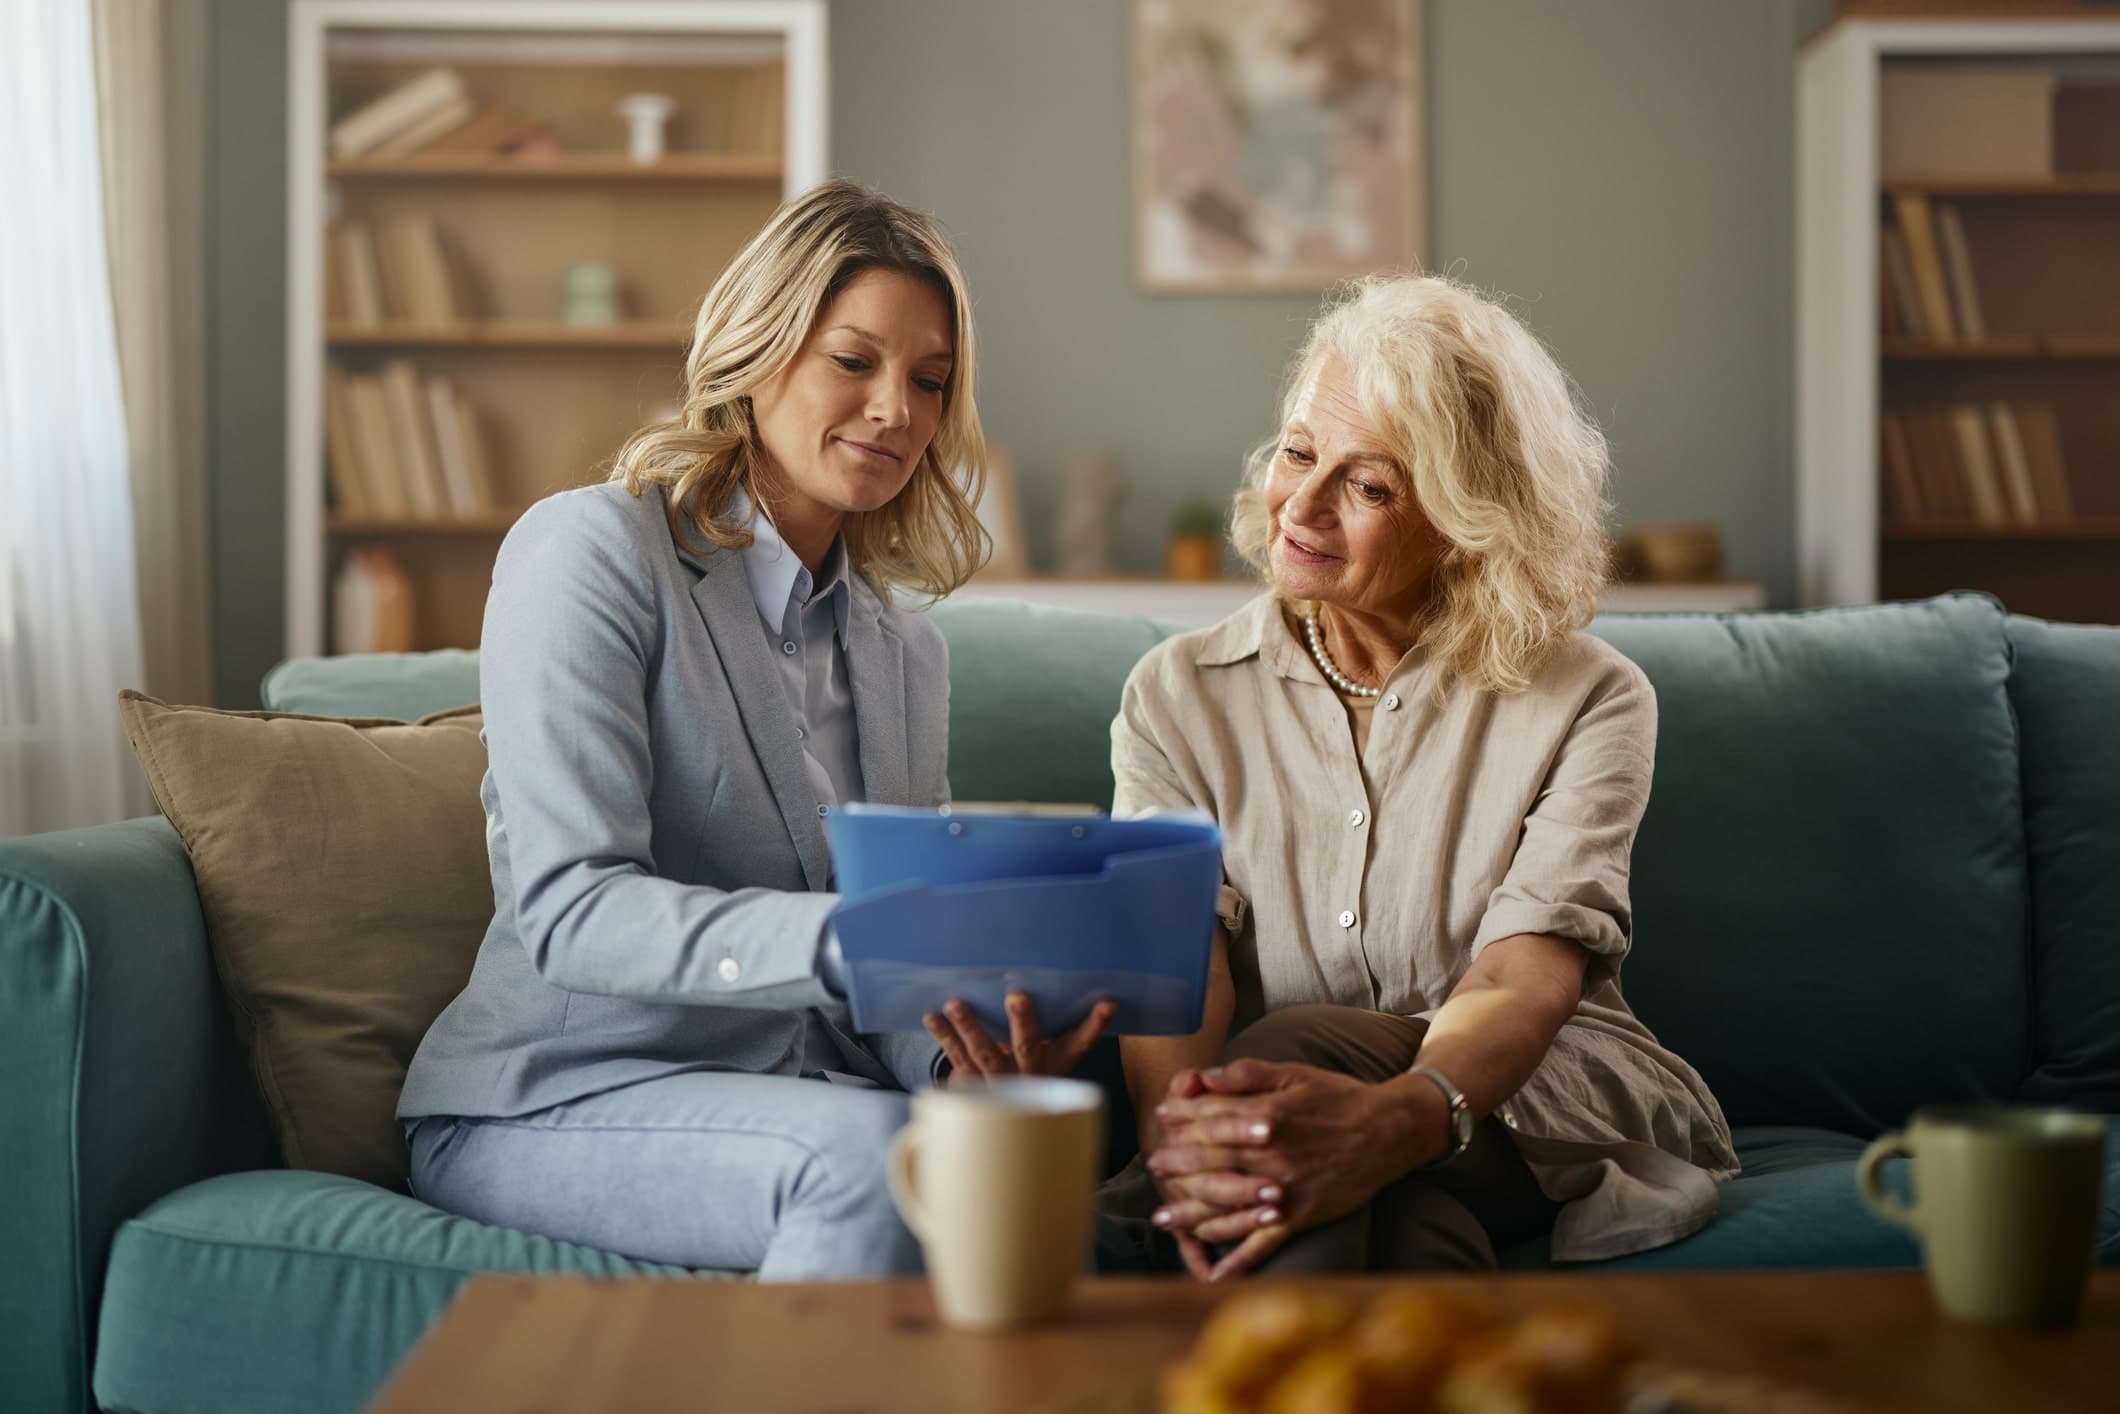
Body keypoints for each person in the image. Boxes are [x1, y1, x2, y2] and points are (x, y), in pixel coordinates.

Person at [398, 181, 1110, 1282]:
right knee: (874, 1160)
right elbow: (570, 908)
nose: (895, 411)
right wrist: (844, 939)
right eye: (852, 361)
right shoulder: (593, 553)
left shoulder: (904, 653)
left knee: (1026, 1157)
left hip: (801, 1096)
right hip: (561, 1094)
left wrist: (953, 1059)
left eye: (929, 383)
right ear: (759, 348)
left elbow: (889, 981)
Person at [1109, 273, 1739, 1282]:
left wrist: (1375, 1120)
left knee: (1298, 1047)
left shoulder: (1588, 699)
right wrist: (1188, 1158)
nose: (1301, 506)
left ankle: (1119, 1235)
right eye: (1297, 452)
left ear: (1466, 520)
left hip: (1530, 1105)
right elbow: (1175, 968)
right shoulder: (1176, 696)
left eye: (1367, 486)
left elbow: (1517, 977)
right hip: (1289, 1119)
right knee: (1401, 1227)